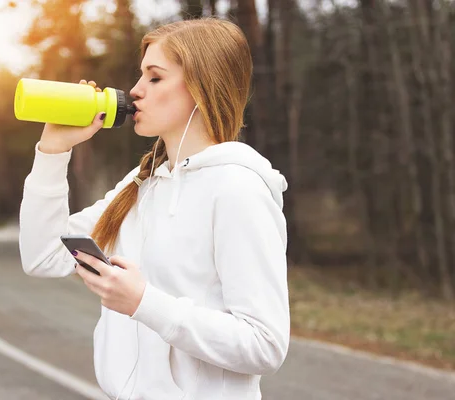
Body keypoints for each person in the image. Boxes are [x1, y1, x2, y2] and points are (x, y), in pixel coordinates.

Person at [19, 17, 290, 400]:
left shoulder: (238, 188)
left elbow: (265, 345)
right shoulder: (143, 183)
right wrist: (53, 151)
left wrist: (144, 303)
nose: (135, 91)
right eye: (140, 75)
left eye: (154, 77)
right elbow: (43, 256)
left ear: (200, 86)